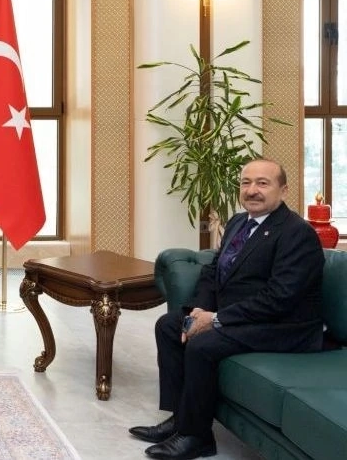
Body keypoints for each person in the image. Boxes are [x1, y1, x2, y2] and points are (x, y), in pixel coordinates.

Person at [129, 158, 325, 460]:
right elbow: (213, 272)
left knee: (203, 344)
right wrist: (199, 310)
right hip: (243, 316)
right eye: (246, 183)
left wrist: (217, 319)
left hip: (282, 325)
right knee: (169, 325)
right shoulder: (238, 222)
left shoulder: (296, 233)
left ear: (284, 190)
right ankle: (180, 419)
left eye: (263, 183)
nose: (252, 190)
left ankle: (196, 437)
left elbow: (280, 297)